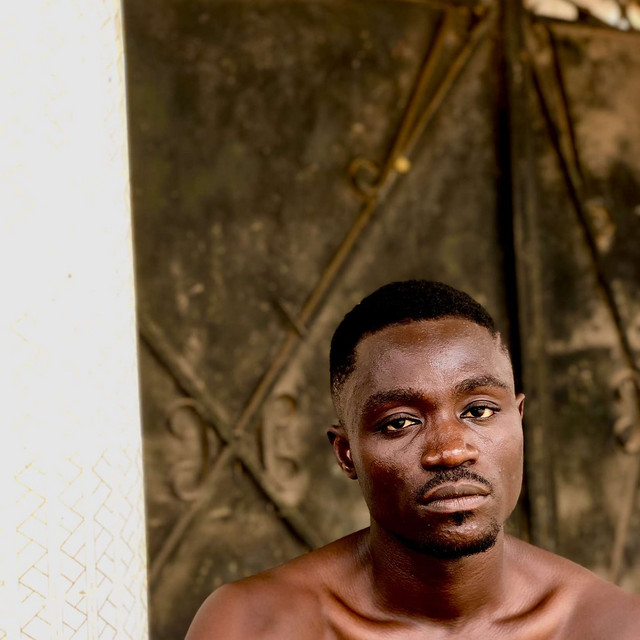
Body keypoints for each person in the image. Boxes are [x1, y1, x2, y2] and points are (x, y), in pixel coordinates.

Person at [186, 280, 640, 639]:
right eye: (400, 422)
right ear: (346, 454)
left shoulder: (612, 626)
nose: (451, 450)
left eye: (479, 411)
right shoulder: (252, 625)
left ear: (518, 420)